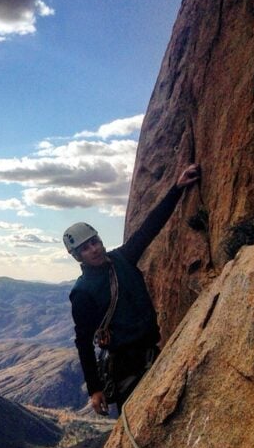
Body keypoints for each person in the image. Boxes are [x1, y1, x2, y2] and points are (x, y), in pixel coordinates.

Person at [63, 164, 201, 415]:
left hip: (152, 351)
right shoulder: (83, 292)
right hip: (124, 368)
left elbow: (149, 228)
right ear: (77, 257)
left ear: (100, 240)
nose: (93, 249)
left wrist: (177, 188)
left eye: (94, 242)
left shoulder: (123, 259)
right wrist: (95, 389)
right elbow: (83, 342)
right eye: (85, 248)